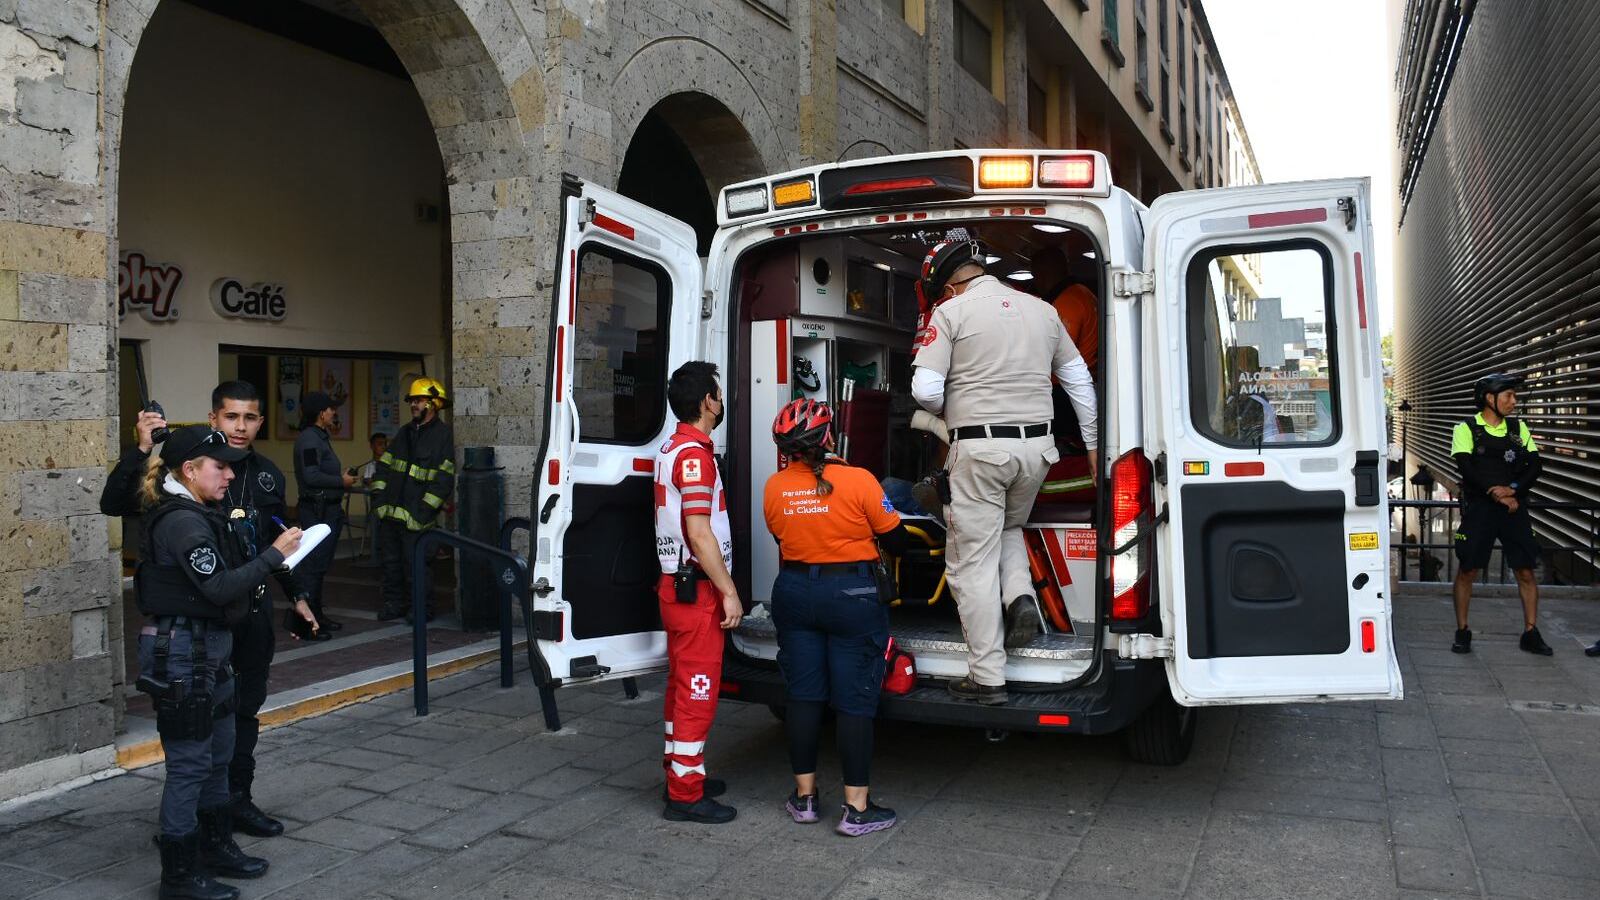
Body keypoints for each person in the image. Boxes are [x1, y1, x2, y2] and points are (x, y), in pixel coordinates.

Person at [102, 382, 317, 841]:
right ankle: (199, 822)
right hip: (203, 620)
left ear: (260, 422)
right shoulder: (178, 482)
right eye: (231, 417)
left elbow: (274, 539)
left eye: (251, 418)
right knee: (202, 730)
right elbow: (115, 503)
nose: (241, 427)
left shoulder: (264, 476)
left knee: (241, 716)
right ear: (214, 419)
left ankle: (235, 803)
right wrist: (141, 447)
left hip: (249, 613)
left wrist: (297, 595)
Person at [911, 240, 1098, 705]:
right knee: (1009, 525)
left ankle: (987, 677)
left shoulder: (951, 313)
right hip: (1038, 451)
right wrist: (1094, 446)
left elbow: (925, 390)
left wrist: (957, 406)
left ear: (949, 287)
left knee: (969, 563)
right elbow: (1080, 383)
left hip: (981, 450)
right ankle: (1020, 599)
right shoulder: (1043, 310)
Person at [132, 425, 301, 899]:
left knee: (218, 755)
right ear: (189, 470)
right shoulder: (182, 522)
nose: (229, 474)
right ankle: (179, 876)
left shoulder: (203, 512)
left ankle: (213, 845)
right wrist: (273, 556)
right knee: (189, 764)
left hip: (212, 651)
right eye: (219, 466)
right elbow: (220, 587)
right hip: (183, 654)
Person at [763, 398, 913, 836]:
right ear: (828, 438)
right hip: (852, 596)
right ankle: (856, 809)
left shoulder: (774, 487)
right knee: (853, 702)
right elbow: (898, 540)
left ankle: (805, 798)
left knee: (804, 696)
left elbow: (779, 534)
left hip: (793, 592)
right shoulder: (858, 480)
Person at [653, 361, 741, 824]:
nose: (722, 401)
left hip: (677, 587)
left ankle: (679, 768)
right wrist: (729, 591)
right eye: (719, 395)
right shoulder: (695, 456)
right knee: (697, 690)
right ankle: (685, 794)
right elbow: (699, 531)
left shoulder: (675, 447)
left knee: (680, 685)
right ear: (707, 401)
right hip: (697, 590)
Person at [1450, 373, 1552, 656]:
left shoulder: (1519, 428)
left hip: (1514, 507)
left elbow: (1535, 467)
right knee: (1468, 569)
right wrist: (1495, 493)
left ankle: (1530, 632)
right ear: (1489, 398)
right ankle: (1463, 631)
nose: (1513, 402)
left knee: (1525, 570)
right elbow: (1467, 468)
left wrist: (1513, 491)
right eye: (1508, 396)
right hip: (1480, 508)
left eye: (1514, 396)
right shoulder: (1467, 428)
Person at [374, 377, 456, 622]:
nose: (413, 405)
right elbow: (385, 465)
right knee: (391, 565)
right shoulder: (404, 433)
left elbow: (443, 480)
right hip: (390, 514)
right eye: (412, 401)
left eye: (418, 400)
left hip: (417, 519)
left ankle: (421, 609)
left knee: (416, 567)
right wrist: (378, 498)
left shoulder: (442, 436)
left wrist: (423, 512)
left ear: (433, 404)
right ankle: (395, 605)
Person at [292, 392, 358, 636]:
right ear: (321, 413)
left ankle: (316, 615)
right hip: (318, 511)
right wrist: (341, 482)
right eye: (331, 409)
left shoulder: (319, 437)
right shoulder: (310, 439)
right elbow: (311, 476)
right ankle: (308, 623)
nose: (334, 413)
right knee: (313, 567)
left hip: (325, 510)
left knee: (318, 567)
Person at [1029, 244, 1100, 372]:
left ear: (1043, 274)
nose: (1035, 282)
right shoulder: (1083, 293)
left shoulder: (1068, 302)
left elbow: (1055, 351)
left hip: (1068, 383)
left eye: (1035, 276)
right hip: (1086, 375)